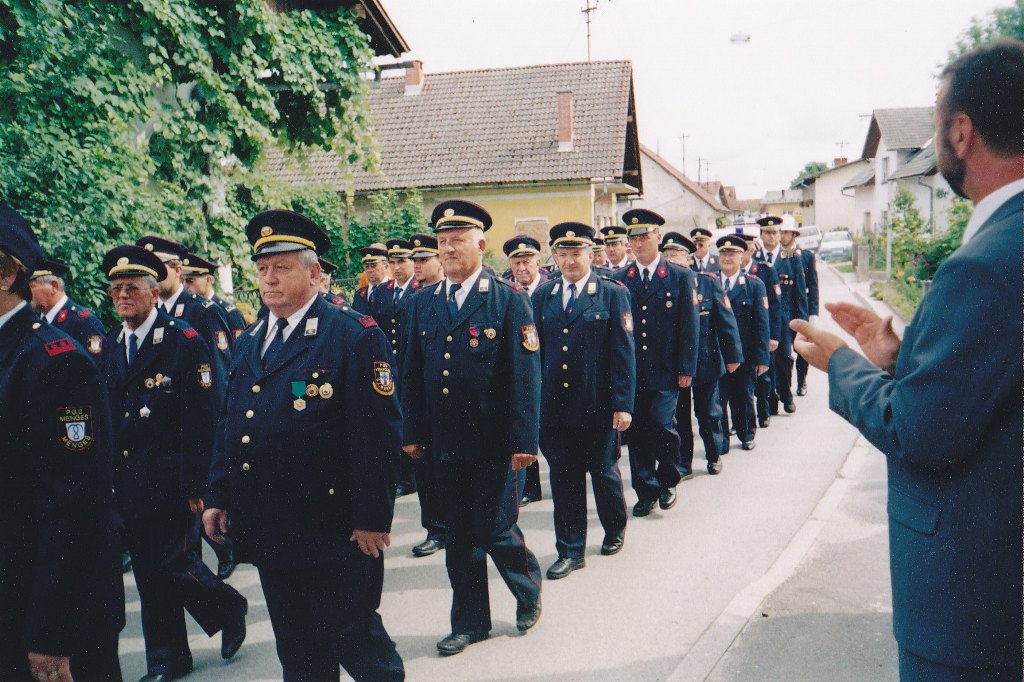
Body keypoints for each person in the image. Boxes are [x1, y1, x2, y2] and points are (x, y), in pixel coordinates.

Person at [792, 40, 1023, 681]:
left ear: (960, 132)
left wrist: (845, 364)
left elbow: (921, 433)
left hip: (971, 612)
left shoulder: (986, 263)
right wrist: (896, 360)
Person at [203, 209, 405, 681]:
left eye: (282, 267)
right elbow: (232, 424)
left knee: (357, 642)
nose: (269, 279)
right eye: (262, 269)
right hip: (271, 525)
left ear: (314, 273)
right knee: (298, 650)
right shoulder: (252, 339)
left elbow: (378, 436)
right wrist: (218, 494)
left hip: (333, 527)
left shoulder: (353, 336)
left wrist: (373, 518)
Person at [400, 199, 542, 656]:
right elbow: (412, 374)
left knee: (496, 528)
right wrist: (412, 432)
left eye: (458, 241)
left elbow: (525, 377)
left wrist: (525, 441)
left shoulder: (508, 301)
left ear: (481, 244)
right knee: (459, 536)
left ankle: (528, 590)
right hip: (444, 444)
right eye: (442, 242)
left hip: (494, 443)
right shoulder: (422, 304)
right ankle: (470, 622)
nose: (449, 249)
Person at [101, 244, 247, 682]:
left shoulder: (182, 341)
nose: (123, 296)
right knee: (149, 573)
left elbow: (202, 418)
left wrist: (199, 485)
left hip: (175, 478)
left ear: (152, 292)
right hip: (130, 482)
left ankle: (227, 605)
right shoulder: (111, 344)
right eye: (116, 289)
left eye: (132, 288)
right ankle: (166, 659)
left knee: (177, 563)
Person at [0, 206, 125, 682]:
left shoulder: (53, 363)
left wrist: (50, 634)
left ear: (9, 273)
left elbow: (74, 509)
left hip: (49, 617)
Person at [531, 222, 634, 579]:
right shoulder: (542, 295)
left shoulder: (611, 293)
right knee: (564, 479)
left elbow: (624, 353)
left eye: (577, 253)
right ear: (555, 256)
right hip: (555, 409)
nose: (569, 260)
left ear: (591, 254)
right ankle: (571, 550)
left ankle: (615, 526)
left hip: (597, 406)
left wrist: (623, 404)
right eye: (563, 253)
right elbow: (534, 353)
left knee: (603, 473)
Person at [612, 209, 700, 517]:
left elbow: (690, 326)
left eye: (644, 237)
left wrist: (686, 368)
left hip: (666, 370)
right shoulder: (620, 280)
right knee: (636, 435)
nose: (637, 244)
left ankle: (668, 479)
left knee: (663, 426)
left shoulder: (679, 276)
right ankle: (645, 491)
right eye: (632, 239)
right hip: (633, 373)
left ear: (657, 238)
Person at [661, 232, 741, 476]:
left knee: (708, 413)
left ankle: (714, 453)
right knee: (680, 417)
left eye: (677, 256)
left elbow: (726, 322)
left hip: (705, 360)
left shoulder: (706, 283)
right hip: (674, 365)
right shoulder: (662, 287)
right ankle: (684, 463)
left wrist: (733, 356)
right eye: (668, 256)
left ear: (688, 259)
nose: (672, 261)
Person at [135, 236, 233, 388]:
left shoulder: (204, 311)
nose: (152, 276)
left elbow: (219, 374)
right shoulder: (149, 312)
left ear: (178, 271)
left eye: (159, 268)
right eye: (148, 270)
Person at [403, 233, 448, 558]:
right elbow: (410, 366)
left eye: (423, 260)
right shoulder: (417, 302)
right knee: (428, 475)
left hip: (463, 411)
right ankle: (436, 529)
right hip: (429, 408)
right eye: (414, 260)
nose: (417, 266)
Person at [502, 234, 548, 506]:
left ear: (538, 262)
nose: (521, 268)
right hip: (520, 371)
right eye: (516, 263)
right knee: (523, 426)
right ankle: (531, 487)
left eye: (527, 262)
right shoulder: (507, 293)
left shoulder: (550, 289)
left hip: (548, 369)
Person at [715, 234, 770, 454]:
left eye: (732, 253)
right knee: (718, 400)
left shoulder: (754, 285)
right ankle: (721, 442)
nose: (727, 258)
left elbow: (761, 324)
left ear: (742, 257)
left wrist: (762, 358)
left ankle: (747, 434)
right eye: (723, 253)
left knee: (744, 397)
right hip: (717, 354)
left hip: (745, 355)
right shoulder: (709, 283)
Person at [755, 216, 807, 415]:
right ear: (761, 235)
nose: (772, 236)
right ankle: (770, 401)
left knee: (784, 358)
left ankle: (786, 395)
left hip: (785, 320)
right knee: (764, 362)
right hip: (762, 320)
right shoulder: (755, 258)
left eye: (775, 232)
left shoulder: (791, 257)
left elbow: (800, 292)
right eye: (767, 232)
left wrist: (802, 324)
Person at [28, 257, 107, 362]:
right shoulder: (35, 321)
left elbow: (93, 370)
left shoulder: (84, 322)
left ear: (54, 286)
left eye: (32, 287)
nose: (27, 293)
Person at [780, 223, 818, 396]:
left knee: (801, 348)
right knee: (784, 351)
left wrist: (813, 313)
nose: (782, 235)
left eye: (786, 231)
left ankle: (802, 381)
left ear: (794, 234)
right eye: (781, 231)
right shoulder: (777, 256)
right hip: (783, 308)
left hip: (801, 308)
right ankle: (785, 384)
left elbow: (813, 285)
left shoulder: (806, 256)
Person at [181, 252, 248, 340]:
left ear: (208, 280)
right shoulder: (186, 309)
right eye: (183, 281)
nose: (185, 286)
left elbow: (240, 349)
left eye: (190, 281)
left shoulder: (229, 313)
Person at [352, 244, 390, 316]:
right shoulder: (359, 295)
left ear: (386, 266)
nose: (370, 270)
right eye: (367, 267)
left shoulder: (395, 291)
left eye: (374, 266)